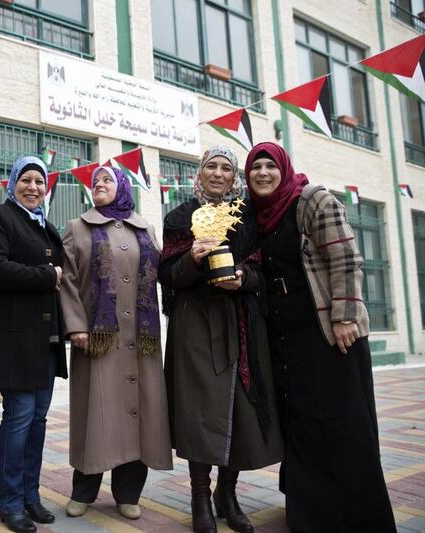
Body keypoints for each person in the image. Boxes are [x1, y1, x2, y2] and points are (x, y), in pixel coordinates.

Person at [245, 141, 395, 533]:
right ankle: (311, 515)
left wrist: (345, 317)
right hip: (287, 341)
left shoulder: (312, 200)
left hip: (330, 334)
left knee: (341, 425)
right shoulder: (259, 216)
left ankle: (358, 516)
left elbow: (346, 259)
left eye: (269, 166)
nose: (262, 173)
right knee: (302, 425)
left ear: (284, 169)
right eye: (255, 167)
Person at [159, 146, 283, 533]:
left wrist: (244, 277)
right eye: (210, 166)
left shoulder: (250, 218)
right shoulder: (180, 218)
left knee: (240, 411)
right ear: (200, 172)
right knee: (201, 410)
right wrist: (192, 260)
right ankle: (199, 496)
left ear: (235, 177)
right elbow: (168, 276)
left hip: (242, 321)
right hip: (195, 325)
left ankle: (227, 495)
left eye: (225, 168)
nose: (217, 173)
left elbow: (265, 269)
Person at [59, 166, 172, 520]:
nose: (99, 185)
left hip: (141, 343)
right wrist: (76, 327)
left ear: (123, 187)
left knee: (139, 416)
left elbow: (161, 274)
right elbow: (67, 283)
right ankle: (84, 490)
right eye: (95, 182)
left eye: (108, 180)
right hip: (98, 340)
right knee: (96, 415)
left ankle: (128, 493)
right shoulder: (78, 228)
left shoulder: (145, 229)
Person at [0, 155, 68, 533]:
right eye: (25, 180)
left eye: (39, 182)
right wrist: (48, 275)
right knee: (20, 418)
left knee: (39, 420)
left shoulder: (45, 226)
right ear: (13, 183)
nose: (33, 187)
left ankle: (30, 495)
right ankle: (9, 503)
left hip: (43, 340)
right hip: (13, 340)